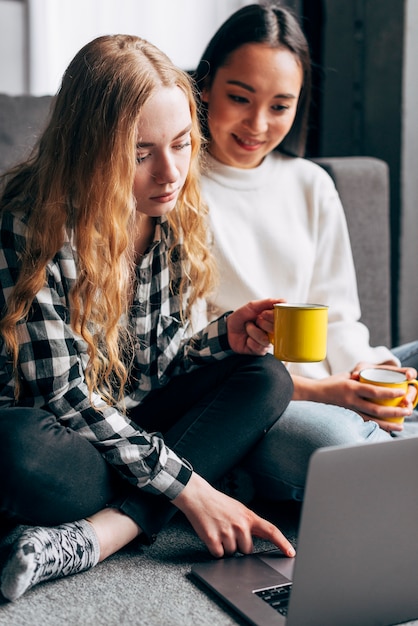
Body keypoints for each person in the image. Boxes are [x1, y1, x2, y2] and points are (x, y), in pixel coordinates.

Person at [0, 34, 297, 602]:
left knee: (264, 375)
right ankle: (149, 503)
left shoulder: (171, 215)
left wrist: (221, 339)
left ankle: (103, 533)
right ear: (88, 149)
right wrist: (193, 490)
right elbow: (60, 398)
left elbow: (154, 370)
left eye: (182, 145)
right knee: (17, 451)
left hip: (128, 427)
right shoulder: (26, 222)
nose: (170, 173)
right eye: (141, 154)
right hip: (59, 435)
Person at [193, 2, 418, 501]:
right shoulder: (176, 187)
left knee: (403, 370)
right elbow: (185, 359)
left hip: (332, 383)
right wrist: (330, 395)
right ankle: (381, 456)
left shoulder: (310, 183)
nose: (258, 124)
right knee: (333, 441)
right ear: (204, 86)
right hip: (256, 402)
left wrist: (368, 382)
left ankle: (383, 448)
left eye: (279, 106)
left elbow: (338, 319)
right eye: (239, 97)